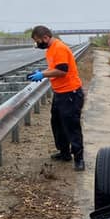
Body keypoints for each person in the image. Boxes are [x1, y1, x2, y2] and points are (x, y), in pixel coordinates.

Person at [28, 25, 85, 171]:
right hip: (59, 93)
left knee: (72, 126)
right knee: (58, 124)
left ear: (46, 38)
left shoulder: (59, 48)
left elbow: (62, 70)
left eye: (38, 41)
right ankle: (64, 153)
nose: (37, 44)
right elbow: (54, 67)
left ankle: (79, 158)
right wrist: (41, 72)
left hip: (70, 93)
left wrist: (43, 75)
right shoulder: (50, 49)